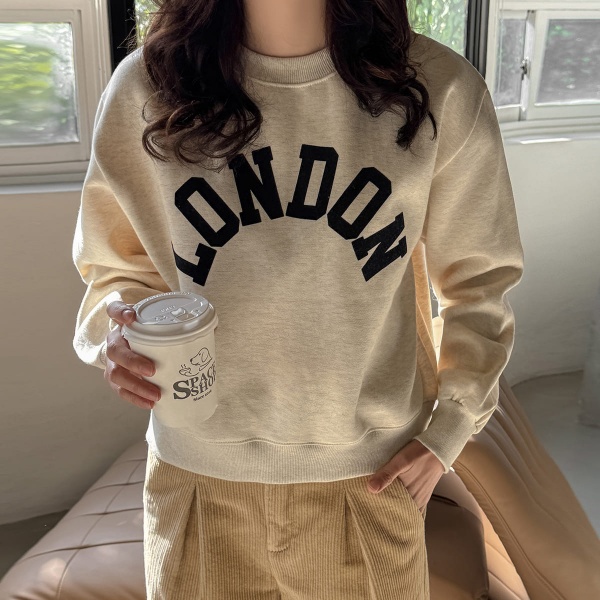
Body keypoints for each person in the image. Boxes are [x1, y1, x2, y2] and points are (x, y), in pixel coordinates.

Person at [72, 0, 525, 598]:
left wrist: (448, 433)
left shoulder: (438, 88)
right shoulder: (147, 87)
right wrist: (119, 332)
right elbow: (114, 267)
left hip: (369, 480)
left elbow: (480, 281)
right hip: (198, 481)